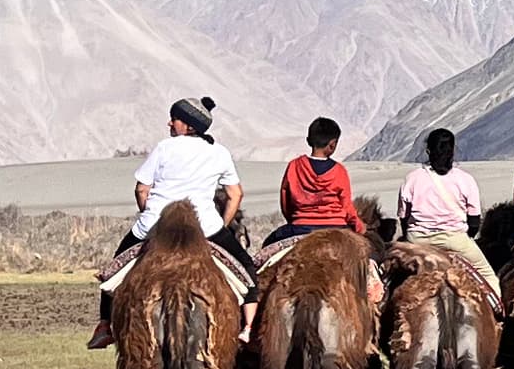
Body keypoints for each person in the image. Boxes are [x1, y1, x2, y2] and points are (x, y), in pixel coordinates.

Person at [88, 95, 248, 348]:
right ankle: (248, 328)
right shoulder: (219, 153)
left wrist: (148, 214)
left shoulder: (164, 148)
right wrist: (221, 225)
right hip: (204, 226)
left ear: (188, 125)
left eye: (174, 119)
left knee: (113, 271)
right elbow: (235, 194)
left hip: (157, 224)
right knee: (247, 271)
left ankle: (105, 325)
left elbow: (141, 189)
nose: (169, 124)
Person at [270, 117, 357, 243]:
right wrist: (359, 226)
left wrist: (294, 220)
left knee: (266, 250)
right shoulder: (340, 171)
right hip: (337, 228)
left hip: (300, 227)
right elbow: (347, 206)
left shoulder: (294, 166)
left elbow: (285, 203)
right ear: (333, 145)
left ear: (308, 141)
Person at [399, 126, 483, 246]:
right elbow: (474, 222)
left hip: (418, 239)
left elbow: (404, 217)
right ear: (453, 151)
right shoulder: (466, 180)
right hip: (454, 240)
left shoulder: (412, 178)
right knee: (483, 266)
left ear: (428, 151)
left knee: (386, 263)